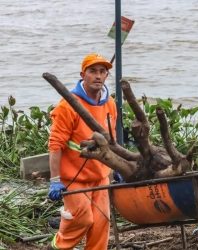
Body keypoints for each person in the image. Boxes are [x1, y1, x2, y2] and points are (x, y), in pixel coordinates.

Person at [47, 53, 117, 250]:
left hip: (100, 175)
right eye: (92, 71)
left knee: (102, 223)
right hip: (73, 177)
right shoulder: (67, 106)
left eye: (102, 72)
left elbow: (112, 139)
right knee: (82, 218)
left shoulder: (109, 103)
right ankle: (57, 246)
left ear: (106, 76)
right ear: (82, 75)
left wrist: (118, 166)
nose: (98, 76)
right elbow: (55, 144)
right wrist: (54, 180)